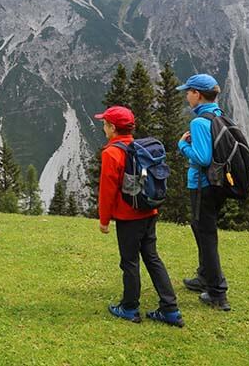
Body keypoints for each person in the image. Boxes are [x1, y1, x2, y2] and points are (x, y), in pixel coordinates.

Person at [96, 105, 183, 327]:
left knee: (129, 262)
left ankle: (129, 307)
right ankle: (170, 309)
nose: (104, 128)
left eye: (105, 124)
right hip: (149, 211)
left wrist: (104, 220)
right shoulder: (140, 149)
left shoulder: (111, 153)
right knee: (152, 258)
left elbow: (107, 190)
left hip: (128, 217)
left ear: (112, 128)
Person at [176, 73, 231, 311]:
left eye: (188, 92)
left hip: (202, 186)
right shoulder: (218, 115)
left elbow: (202, 157)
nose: (186, 96)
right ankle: (203, 277)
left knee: (205, 234)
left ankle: (218, 293)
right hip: (217, 185)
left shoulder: (198, 122)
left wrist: (182, 145)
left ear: (197, 94)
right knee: (202, 229)